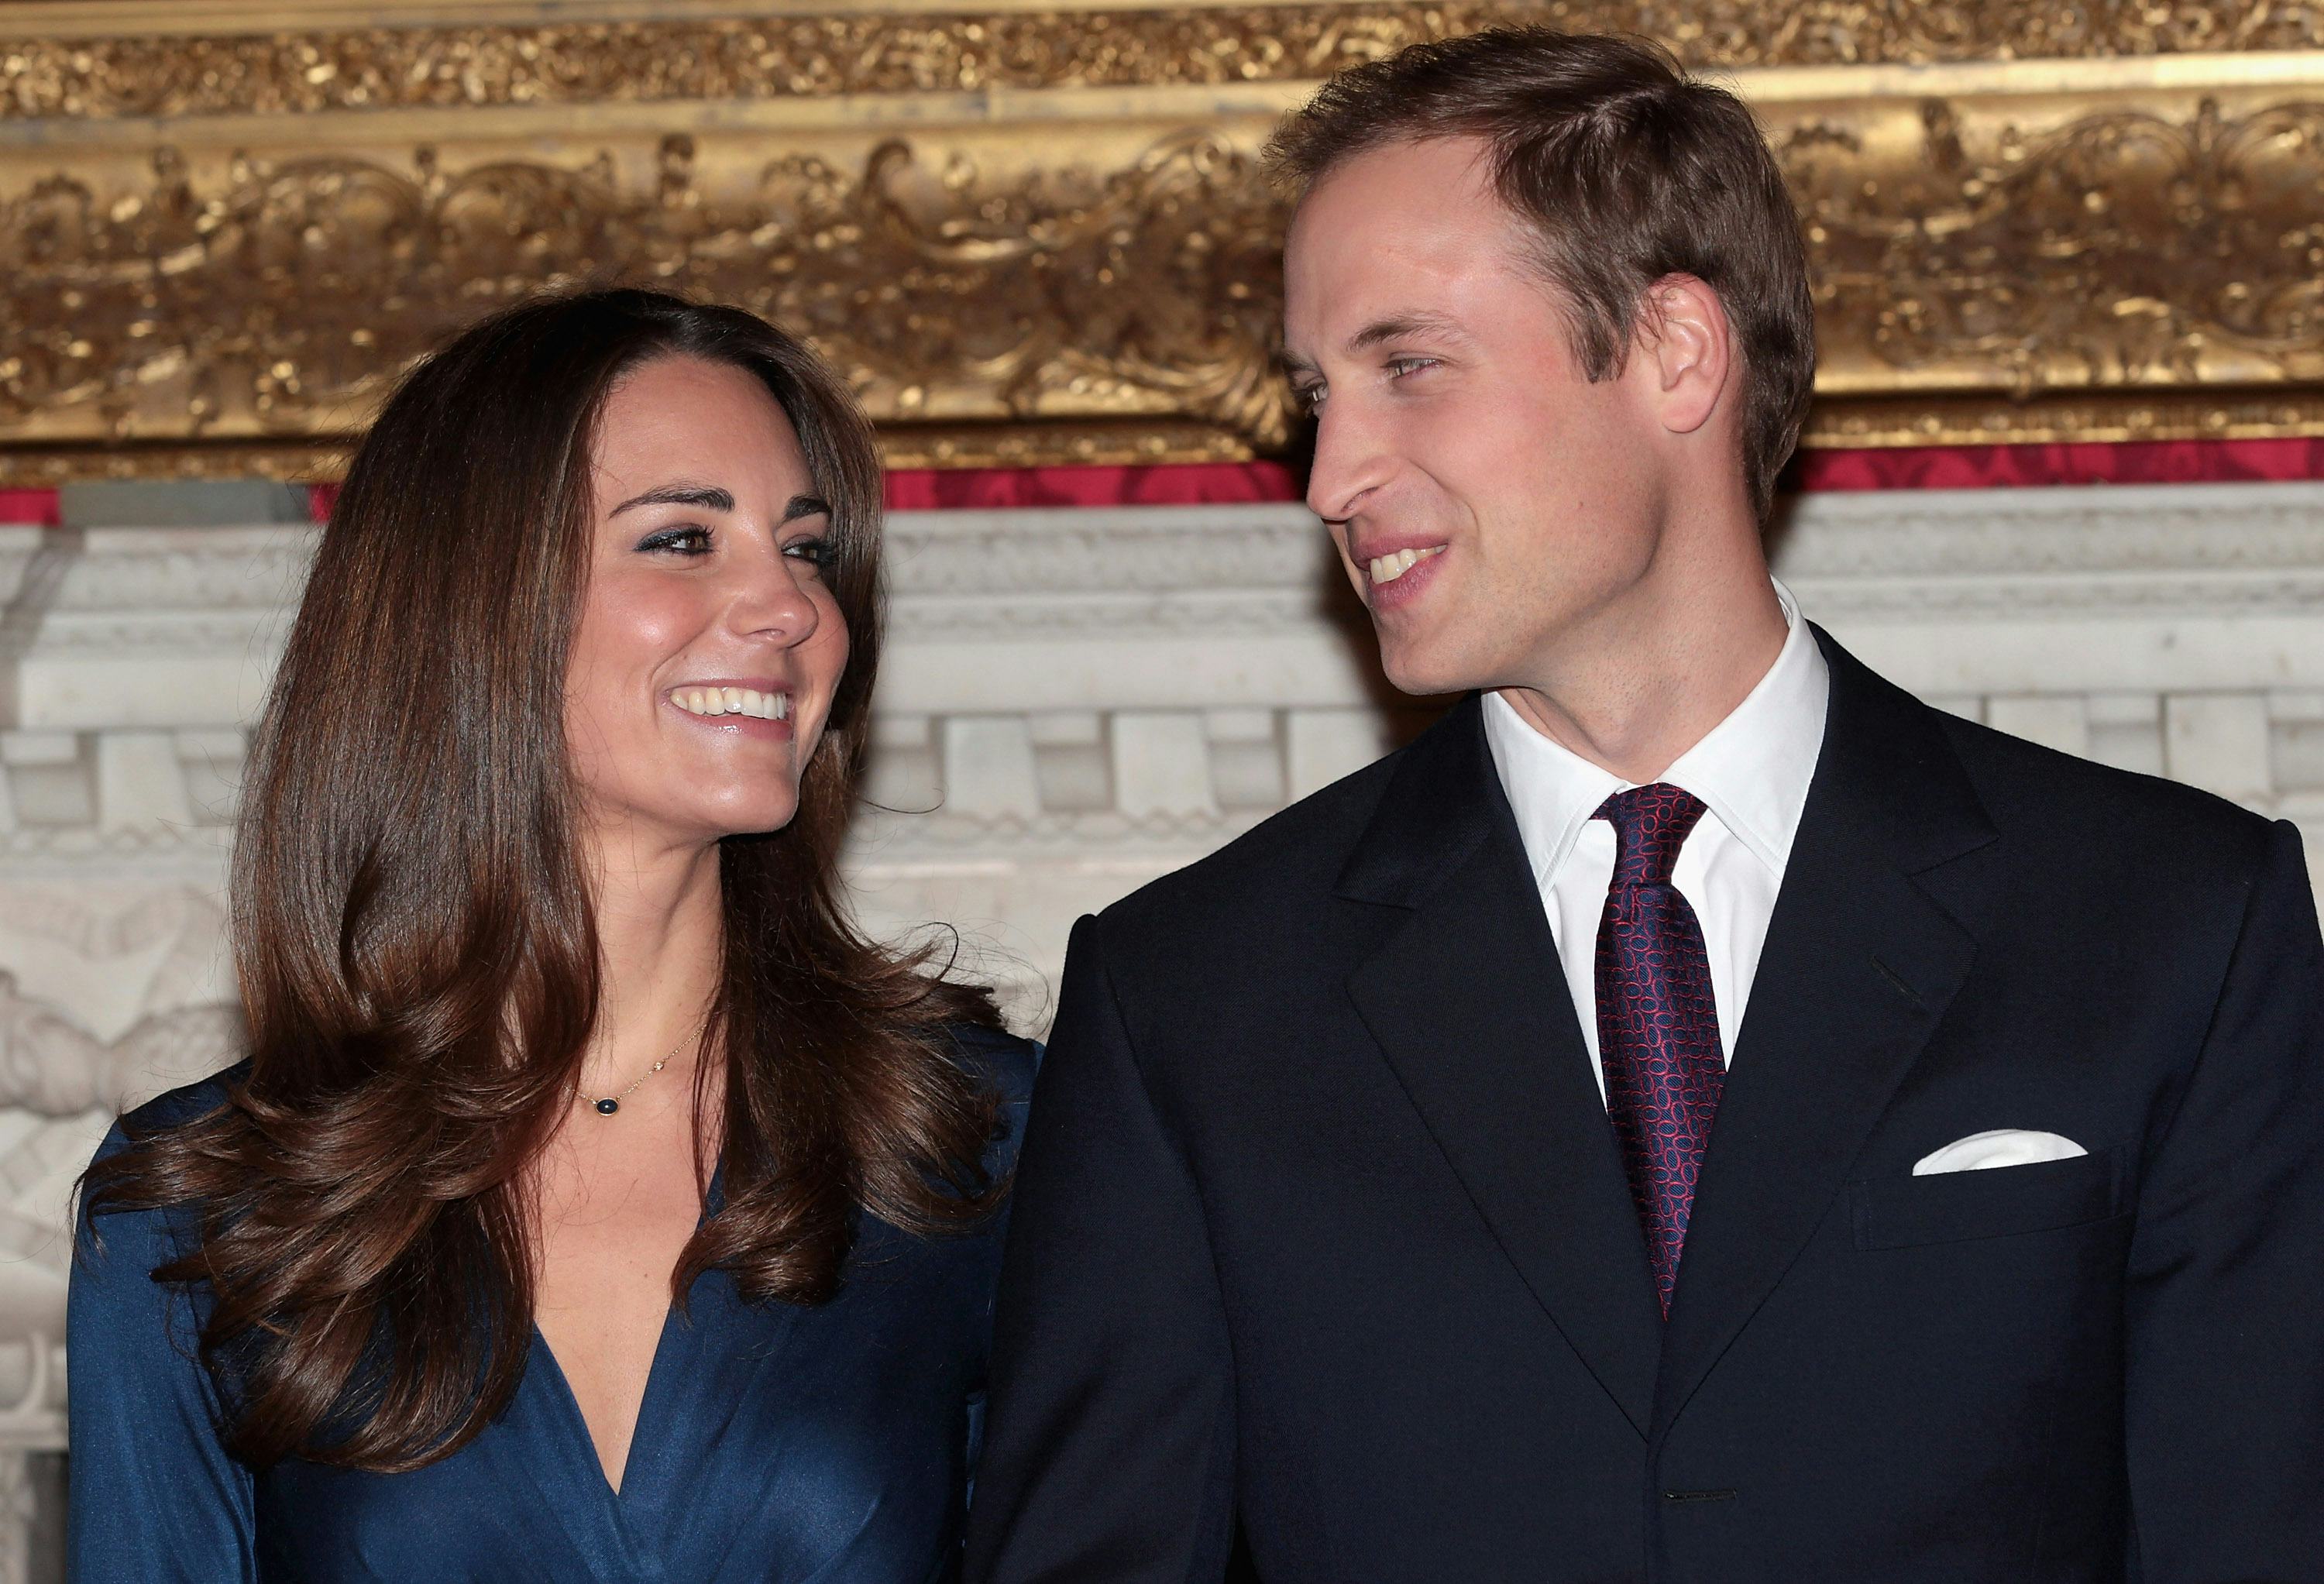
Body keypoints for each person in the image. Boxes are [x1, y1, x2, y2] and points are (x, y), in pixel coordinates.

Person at [964, 29, 2324, 1583]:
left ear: (1676, 350)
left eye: (1408, 367)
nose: (1333, 471)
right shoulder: (1191, 1005)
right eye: (1313, 394)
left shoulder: (2171, 927)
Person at [70, 288, 1034, 1581]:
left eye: (806, 548)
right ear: (474, 605)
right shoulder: (200, 1212)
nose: (791, 606)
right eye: (686, 537)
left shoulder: (981, 1139)